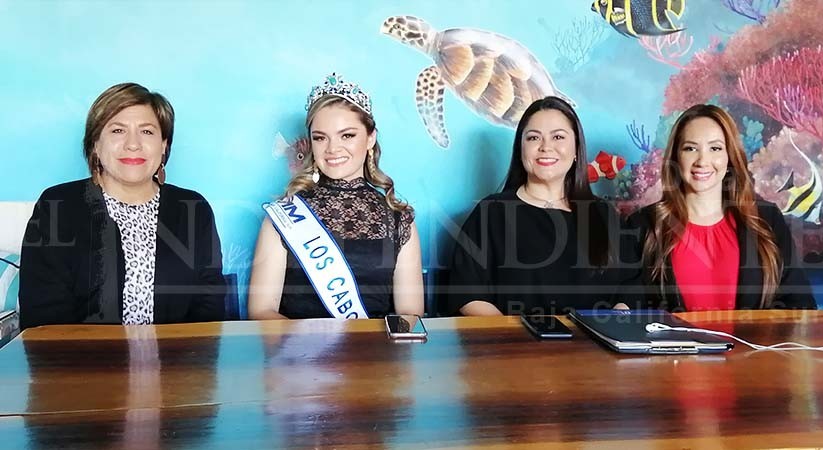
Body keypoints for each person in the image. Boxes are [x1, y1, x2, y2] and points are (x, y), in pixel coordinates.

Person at [19, 82, 226, 329]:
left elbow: (209, 308)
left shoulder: (193, 208)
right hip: (79, 364)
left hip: (178, 363)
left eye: (147, 132)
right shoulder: (57, 207)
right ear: (95, 143)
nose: (133, 144)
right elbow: (43, 317)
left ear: (163, 145)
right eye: (118, 131)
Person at [248, 73, 424, 319]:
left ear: (370, 137)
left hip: (376, 354)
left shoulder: (398, 219)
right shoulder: (284, 216)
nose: (332, 149)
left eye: (347, 135)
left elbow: (410, 313)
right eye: (320, 138)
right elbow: (261, 311)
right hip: (299, 354)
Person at [624, 104, 816, 310]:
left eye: (715, 148)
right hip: (676, 344)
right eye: (690, 148)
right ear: (676, 157)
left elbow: (801, 305)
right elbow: (628, 304)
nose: (702, 160)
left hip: (753, 343)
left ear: (729, 156)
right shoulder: (644, 224)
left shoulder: (767, 219)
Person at [446, 96, 621, 316]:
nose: (546, 147)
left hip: (596, 347)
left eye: (558, 137)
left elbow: (630, 291)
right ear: (521, 149)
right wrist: (516, 340)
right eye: (533, 138)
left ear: (577, 149)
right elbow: (468, 295)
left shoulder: (604, 215)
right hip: (513, 347)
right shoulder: (492, 213)